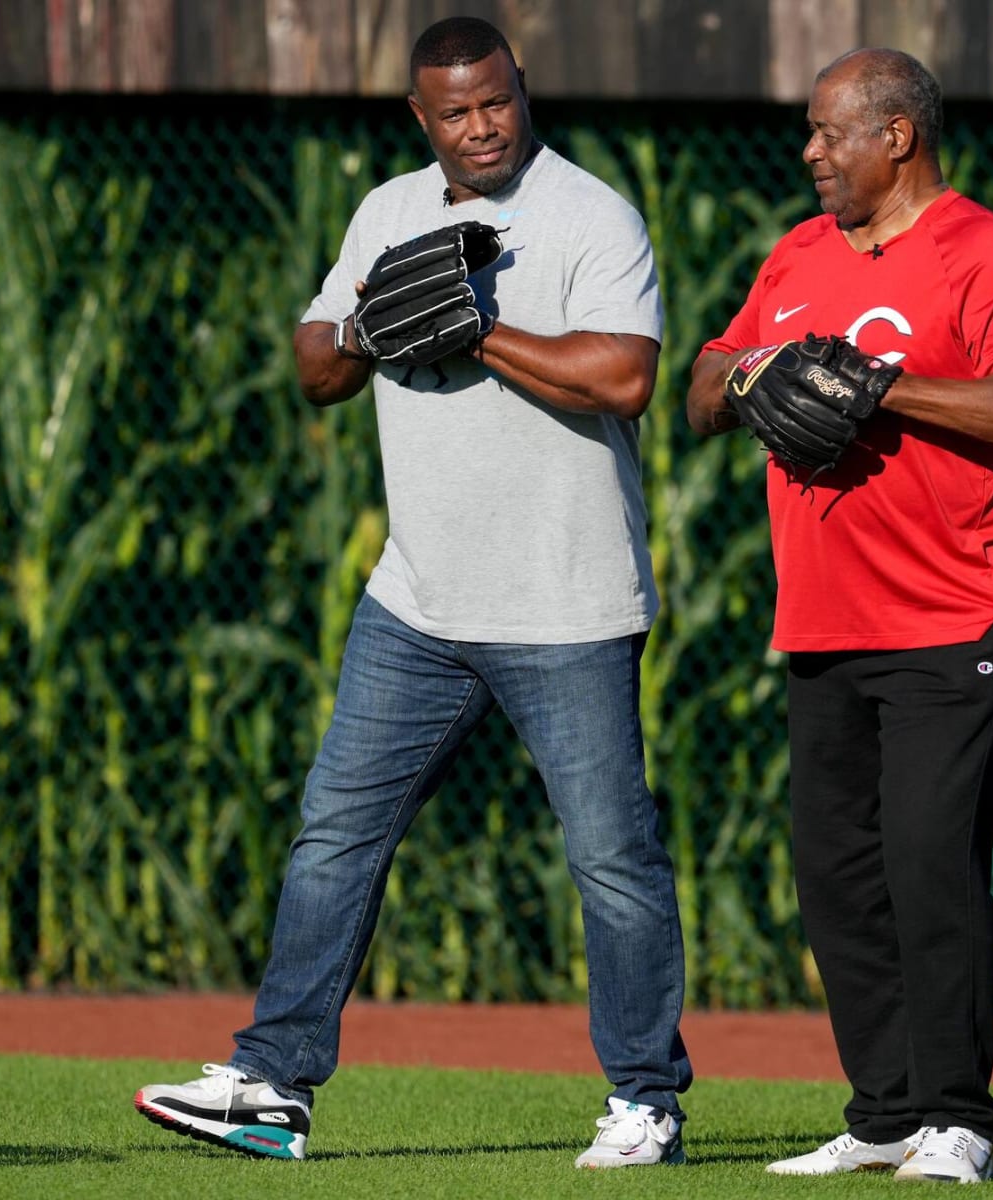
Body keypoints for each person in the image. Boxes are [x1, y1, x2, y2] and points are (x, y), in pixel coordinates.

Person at [134, 16, 690, 1168]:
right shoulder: (388, 211)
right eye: (454, 112)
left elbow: (627, 379)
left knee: (611, 860)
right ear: (419, 117)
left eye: (495, 102)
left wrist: (480, 330)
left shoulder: (591, 214)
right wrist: (363, 327)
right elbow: (315, 363)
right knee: (335, 836)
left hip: (565, 604)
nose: (480, 127)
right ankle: (274, 1085)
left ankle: (647, 1100)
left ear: (520, 89)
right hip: (418, 605)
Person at [687, 48, 993, 1184]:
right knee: (835, 876)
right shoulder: (801, 254)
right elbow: (708, 389)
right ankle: (883, 1116)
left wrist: (878, 385)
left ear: (895, 135)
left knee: (927, 866)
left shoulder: (983, 252)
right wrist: (761, 366)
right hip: (822, 622)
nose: (809, 150)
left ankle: (961, 1121)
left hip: (954, 614)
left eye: (827, 131)